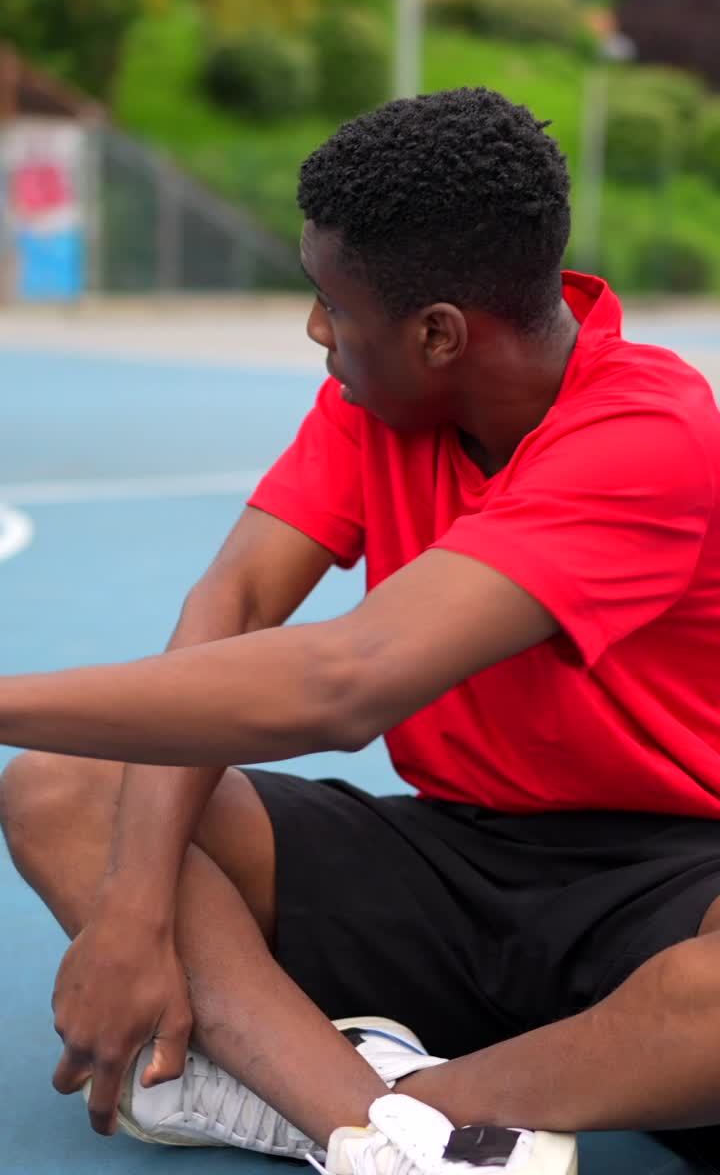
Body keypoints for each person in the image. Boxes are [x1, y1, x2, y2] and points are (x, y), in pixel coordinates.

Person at [2, 85, 720, 1175]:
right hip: (453, 855)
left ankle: (375, 1107)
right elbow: (234, 605)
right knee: (61, 786)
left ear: (437, 334)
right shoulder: (378, 403)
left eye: (332, 304)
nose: (315, 330)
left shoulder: (649, 429)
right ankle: (405, 1135)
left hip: (669, 875)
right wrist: (137, 901)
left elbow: (346, 680)